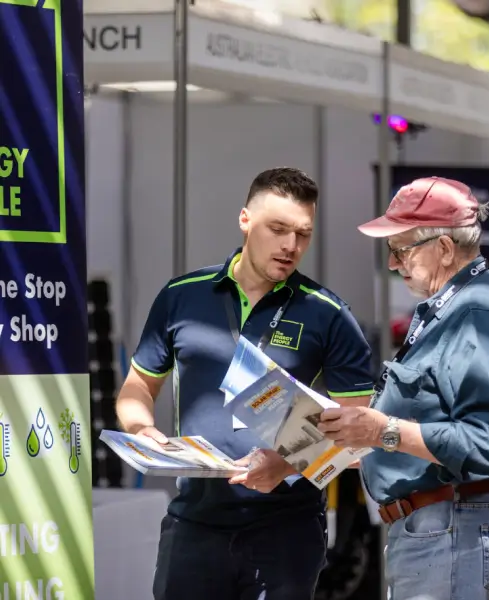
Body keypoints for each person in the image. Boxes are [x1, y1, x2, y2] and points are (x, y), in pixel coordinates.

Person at [115, 167, 374, 600]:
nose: (291, 246)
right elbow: (137, 386)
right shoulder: (182, 296)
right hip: (193, 523)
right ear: (245, 220)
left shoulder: (329, 314)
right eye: (278, 229)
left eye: (303, 234)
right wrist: (142, 432)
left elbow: (359, 433)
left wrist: (286, 463)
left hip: (286, 530)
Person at [318, 176, 489, 600]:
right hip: (444, 534)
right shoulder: (455, 308)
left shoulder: (473, 311)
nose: (395, 263)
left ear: (444, 248)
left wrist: (382, 432)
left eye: (401, 250)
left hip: (455, 536)